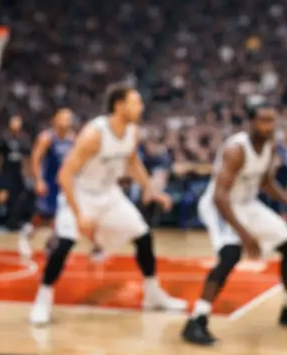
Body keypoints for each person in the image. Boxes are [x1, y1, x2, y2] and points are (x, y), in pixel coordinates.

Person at [28, 85, 186, 326]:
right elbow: (64, 175)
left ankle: (153, 295)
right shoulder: (95, 134)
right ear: (119, 106)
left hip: (109, 194)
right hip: (80, 193)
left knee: (143, 236)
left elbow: (132, 162)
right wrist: (79, 214)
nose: (141, 107)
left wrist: (150, 190)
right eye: (136, 102)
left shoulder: (132, 131)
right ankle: (43, 300)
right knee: (64, 244)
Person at [183, 104, 287, 347]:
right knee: (229, 255)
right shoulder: (236, 150)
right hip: (220, 206)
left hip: (247, 204)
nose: (270, 127)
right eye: (264, 121)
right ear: (251, 123)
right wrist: (245, 234)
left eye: (273, 121)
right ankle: (197, 320)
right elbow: (220, 196)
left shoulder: (269, 146)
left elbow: (266, 182)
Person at [23, 107, 74, 260]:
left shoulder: (73, 139)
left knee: (61, 216)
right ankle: (27, 233)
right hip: (48, 182)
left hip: (63, 184)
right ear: (55, 120)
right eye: (64, 117)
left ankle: (51, 244)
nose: (67, 121)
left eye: (69, 118)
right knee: (43, 215)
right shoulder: (47, 137)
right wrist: (38, 180)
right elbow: (35, 159)